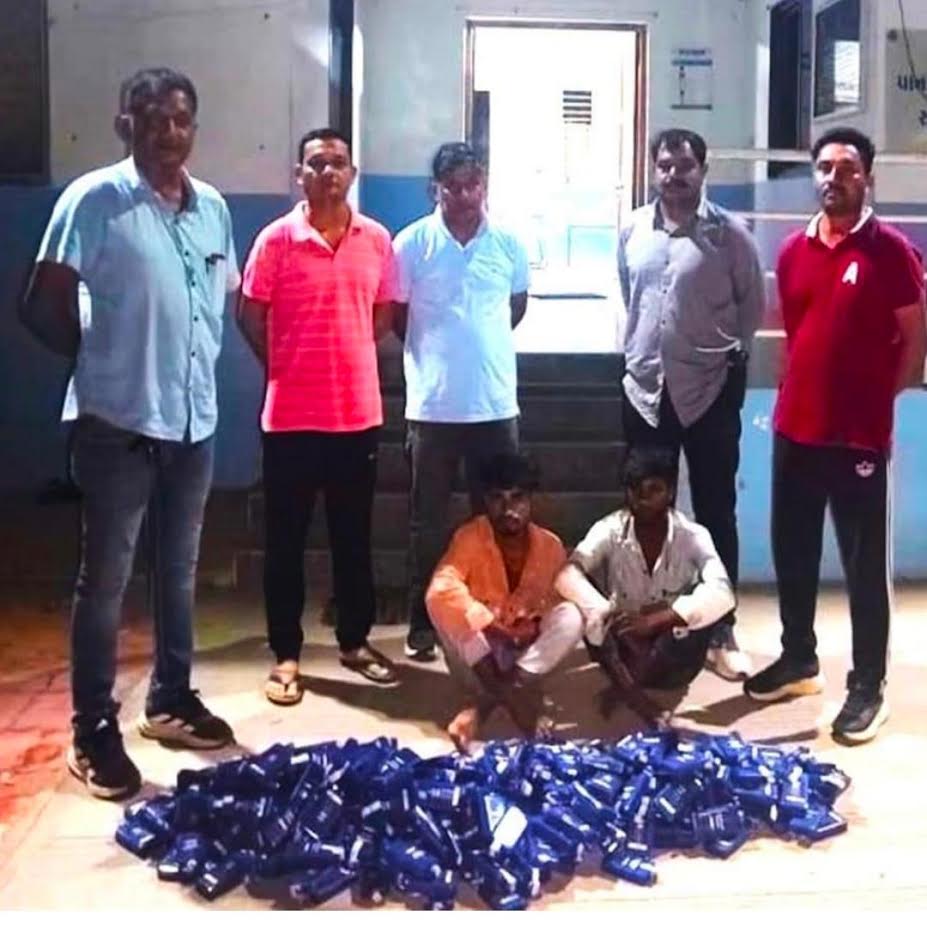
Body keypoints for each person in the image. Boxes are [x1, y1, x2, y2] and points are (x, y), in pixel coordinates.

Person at [20, 68, 239, 800]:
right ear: (126, 125)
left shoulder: (213, 209)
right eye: (152, 118)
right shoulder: (95, 200)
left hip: (192, 421)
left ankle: (170, 699)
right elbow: (41, 303)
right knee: (106, 582)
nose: (168, 132)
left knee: (177, 571)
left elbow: (214, 302)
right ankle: (92, 730)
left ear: (193, 127)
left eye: (180, 119)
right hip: (117, 425)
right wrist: (104, 367)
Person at [744, 127, 926, 745]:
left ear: (868, 178)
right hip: (796, 430)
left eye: (847, 169)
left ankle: (868, 687)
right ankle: (799, 660)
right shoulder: (794, 250)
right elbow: (799, 337)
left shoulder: (891, 251)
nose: (834, 178)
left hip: (858, 439)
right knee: (793, 552)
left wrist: (876, 403)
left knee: (863, 568)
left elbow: (916, 340)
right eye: (825, 167)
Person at [237, 128, 398, 703]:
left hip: (356, 415)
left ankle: (355, 642)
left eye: (338, 163)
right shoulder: (276, 240)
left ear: (352, 173)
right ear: (298, 175)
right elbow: (249, 315)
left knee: (353, 538)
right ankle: (286, 654)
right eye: (317, 163)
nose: (328, 172)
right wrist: (285, 366)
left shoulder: (376, 240)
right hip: (290, 419)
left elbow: (382, 315)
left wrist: (342, 355)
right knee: (285, 542)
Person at [617, 128, 765, 682]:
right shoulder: (633, 228)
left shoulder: (732, 236)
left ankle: (720, 630)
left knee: (714, 509)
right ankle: (644, 624)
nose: (674, 175)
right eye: (665, 166)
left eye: (685, 166)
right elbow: (630, 293)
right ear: (653, 170)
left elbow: (752, 308)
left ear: (703, 170)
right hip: (645, 392)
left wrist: (721, 359)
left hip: (708, 392)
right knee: (646, 510)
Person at [393, 142, 531, 663]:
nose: (464, 195)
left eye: (473, 184)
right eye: (452, 187)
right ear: (436, 190)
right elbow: (399, 316)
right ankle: (423, 624)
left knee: (497, 520)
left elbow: (515, 307)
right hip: (432, 410)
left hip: (495, 407)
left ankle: (496, 619)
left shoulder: (509, 244)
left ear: (484, 185)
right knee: (428, 524)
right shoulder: (411, 244)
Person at [555, 446, 735, 724]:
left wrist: (656, 621)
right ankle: (635, 697)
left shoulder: (693, 535)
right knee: (581, 592)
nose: (643, 499)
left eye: (654, 490)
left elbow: (723, 593)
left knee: (699, 604)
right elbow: (566, 575)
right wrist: (606, 611)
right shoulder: (609, 528)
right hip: (623, 646)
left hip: (675, 660)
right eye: (635, 490)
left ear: (670, 493)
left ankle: (626, 689)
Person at [425, 452, 576, 751]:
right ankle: (517, 702)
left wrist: (532, 626)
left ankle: (487, 704)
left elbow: (554, 601)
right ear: (485, 500)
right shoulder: (470, 536)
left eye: (517, 498)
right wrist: (496, 628)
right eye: (498, 498)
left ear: (531, 500)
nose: (508, 509)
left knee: (571, 615)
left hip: (524, 657)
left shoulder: (550, 545)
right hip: (481, 657)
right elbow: (441, 589)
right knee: (443, 604)